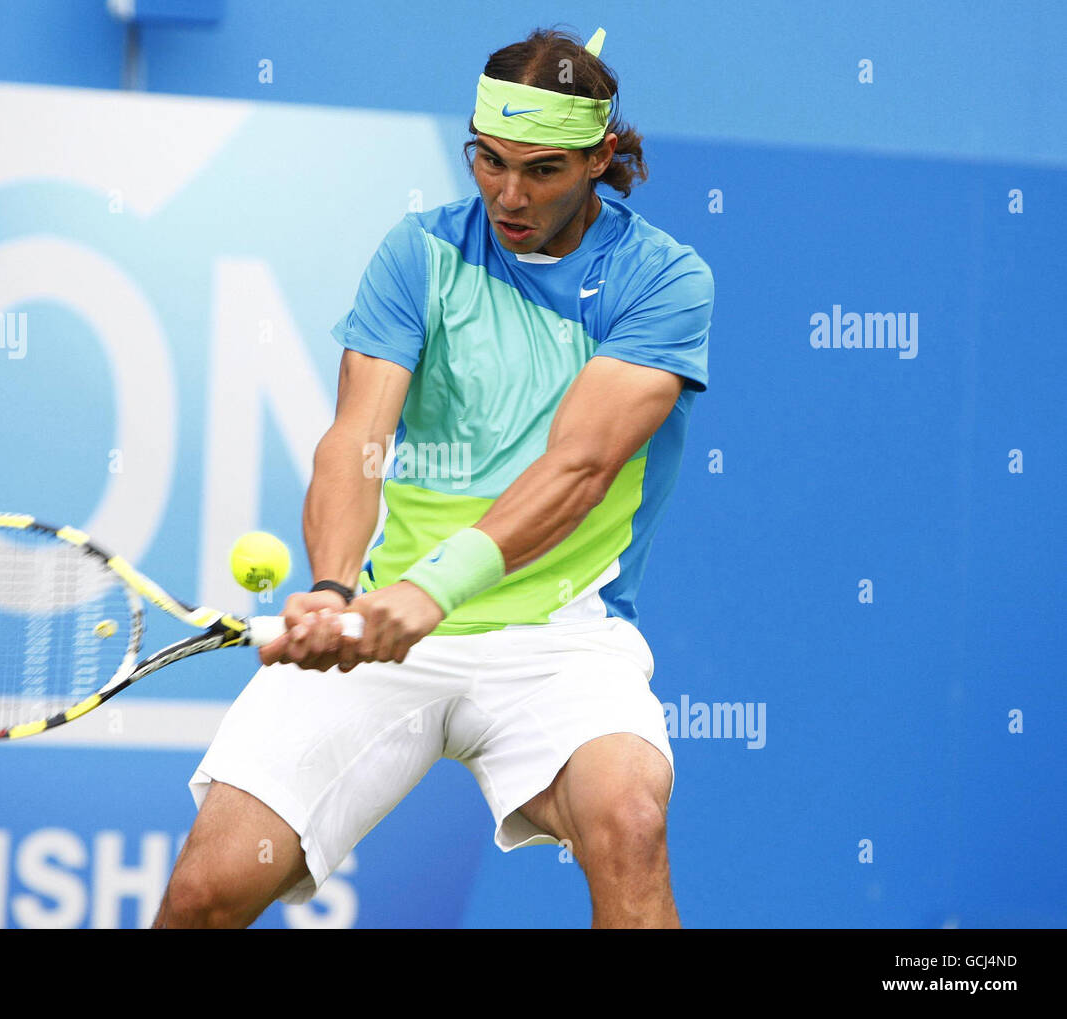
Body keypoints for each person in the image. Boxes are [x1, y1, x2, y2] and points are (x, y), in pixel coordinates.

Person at [154, 25, 713, 929]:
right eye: (488, 161)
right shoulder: (419, 253)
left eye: (542, 171)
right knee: (204, 893)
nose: (508, 193)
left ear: (601, 158)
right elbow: (354, 440)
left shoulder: (662, 281)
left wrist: (434, 588)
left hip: (561, 636)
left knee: (629, 819)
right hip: (388, 622)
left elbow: (579, 467)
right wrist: (335, 586)